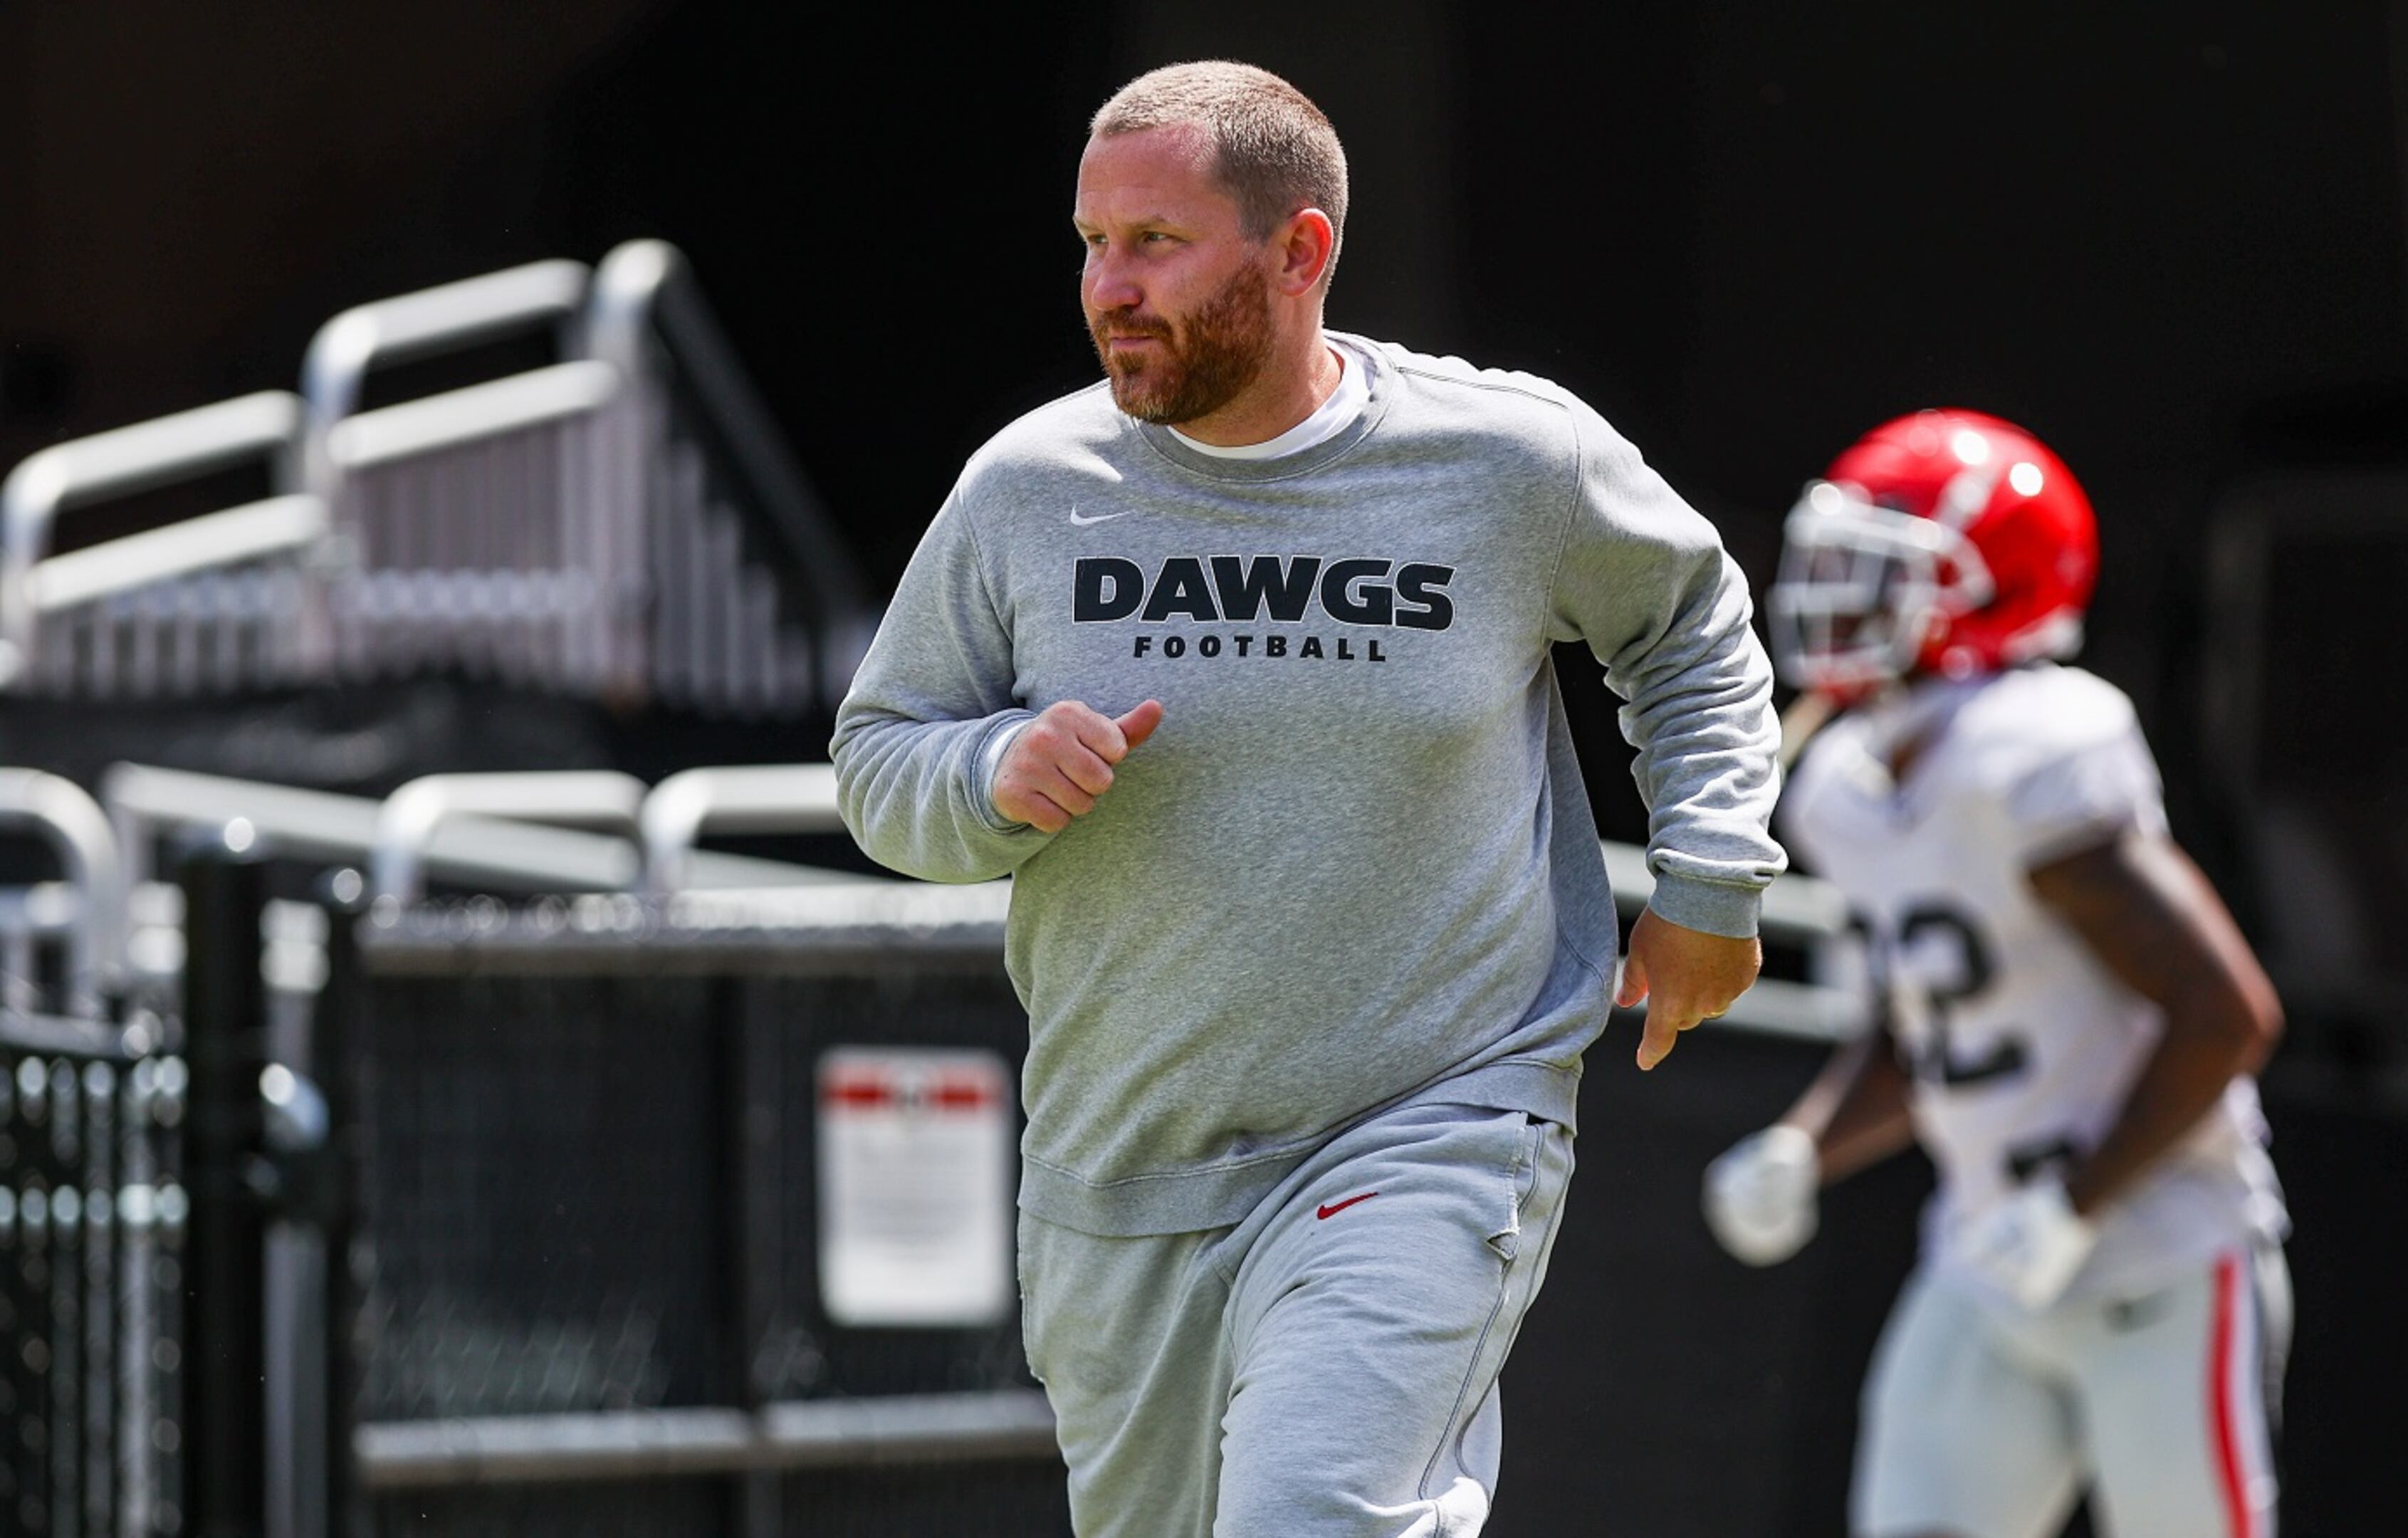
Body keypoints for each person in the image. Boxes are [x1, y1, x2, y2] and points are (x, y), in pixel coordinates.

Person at [830, 61, 1783, 1538]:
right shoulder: (1029, 485)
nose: (1109, 288)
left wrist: (1712, 880)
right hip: (1120, 1169)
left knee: (1312, 1522)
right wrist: (990, 774)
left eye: (1156, 242)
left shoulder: (1509, 461)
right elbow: (881, 759)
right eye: (1092, 243)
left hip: (1430, 1122)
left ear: (1300, 253)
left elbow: (1690, 625)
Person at [1702, 409, 2291, 1538]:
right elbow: (1931, 1029)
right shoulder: (1848, 781)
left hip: (2159, 1253)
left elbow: (2226, 1016)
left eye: (1882, 568)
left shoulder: (2031, 750)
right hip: (1986, 1257)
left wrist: (2075, 1205)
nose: (1837, 593)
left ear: (1988, 589)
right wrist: (1806, 1145)